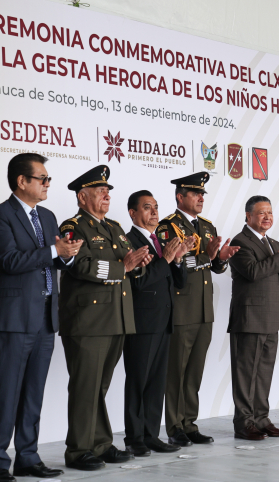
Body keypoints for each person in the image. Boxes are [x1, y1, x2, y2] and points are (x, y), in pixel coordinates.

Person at [0, 153, 83, 481]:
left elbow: (54, 262)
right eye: (42, 178)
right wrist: (55, 252)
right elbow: (10, 260)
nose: (48, 184)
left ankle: (28, 456)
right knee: (8, 390)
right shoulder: (0, 214)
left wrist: (67, 256)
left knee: (33, 392)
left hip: (45, 317)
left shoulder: (49, 216)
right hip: (12, 318)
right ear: (21, 181)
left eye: (48, 178)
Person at [58, 165, 153, 470]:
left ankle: (100, 443)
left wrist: (138, 263)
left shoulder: (113, 227)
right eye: (100, 191)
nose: (106, 195)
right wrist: (122, 268)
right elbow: (81, 266)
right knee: (86, 385)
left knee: (99, 386)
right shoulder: (72, 227)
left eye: (108, 190)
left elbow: (130, 261)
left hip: (116, 317)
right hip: (88, 321)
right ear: (82, 196)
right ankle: (78, 450)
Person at [155, 172, 238, 447]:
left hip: (204, 308)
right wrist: (208, 256)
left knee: (194, 372)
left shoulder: (207, 225)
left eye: (202, 194)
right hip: (181, 307)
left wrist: (221, 259)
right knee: (175, 372)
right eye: (195, 193)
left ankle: (189, 423)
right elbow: (176, 265)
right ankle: (174, 426)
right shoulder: (167, 227)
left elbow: (214, 266)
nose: (201, 198)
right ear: (180, 197)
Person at [228, 195, 279, 440]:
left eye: (270, 212)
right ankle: (244, 423)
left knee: (263, 373)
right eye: (261, 212)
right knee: (246, 374)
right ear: (248, 216)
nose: (267, 216)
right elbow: (252, 272)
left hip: (272, 318)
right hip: (249, 319)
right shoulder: (241, 241)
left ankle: (261, 419)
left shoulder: (272, 243)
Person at [122, 191, 191, 457]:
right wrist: (166, 260)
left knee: (156, 382)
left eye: (156, 207)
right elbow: (139, 281)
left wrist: (179, 257)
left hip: (164, 320)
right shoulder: (129, 240)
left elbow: (180, 282)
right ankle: (134, 438)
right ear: (133, 213)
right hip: (142, 321)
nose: (154, 212)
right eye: (147, 207)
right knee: (138, 381)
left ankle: (151, 434)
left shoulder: (160, 240)